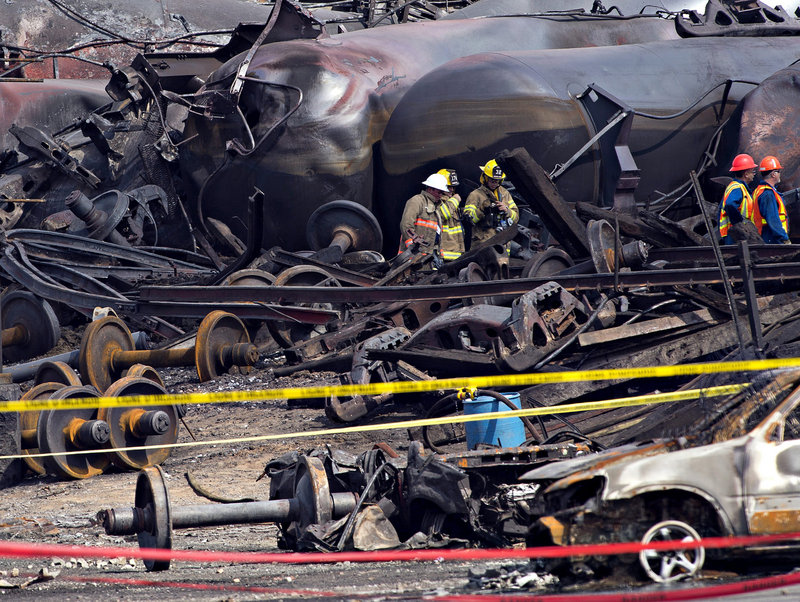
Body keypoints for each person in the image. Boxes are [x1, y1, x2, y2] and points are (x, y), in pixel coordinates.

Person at [463, 159, 519, 246]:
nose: (494, 183)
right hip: (483, 244)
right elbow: (469, 221)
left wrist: (507, 210)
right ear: (485, 178)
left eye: (497, 181)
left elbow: (516, 218)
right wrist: (482, 209)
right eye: (492, 180)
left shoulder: (505, 194)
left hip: (502, 244)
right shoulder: (475, 195)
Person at [399, 172, 449, 260]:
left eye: (442, 193)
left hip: (428, 257)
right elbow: (406, 225)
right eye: (439, 192)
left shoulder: (436, 207)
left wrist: (440, 256)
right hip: (412, 257)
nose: (441, 195)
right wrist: (411, 247)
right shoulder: (417, 201)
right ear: (430, 189)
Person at [718, 153, 758, 245]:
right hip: (735, 235)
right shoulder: (737, 188)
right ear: (746, 174)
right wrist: (739, 223)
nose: (754, 174)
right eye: (753, 171)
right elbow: (730, 204)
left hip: (737, 234)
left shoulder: (740, 188)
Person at [753, 155, 790, 244]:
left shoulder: (759, 190)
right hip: (772, 238)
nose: (780, 174)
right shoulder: (768, 194)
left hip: (767, 235)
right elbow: (773, 219)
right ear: (773, 174)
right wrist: (784, 238)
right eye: (779, 171)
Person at [436, 168, 465, 261]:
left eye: (453, 187)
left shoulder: (451, 202)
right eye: (448, 187)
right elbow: (442, 214)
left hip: (455, 252)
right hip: (444, 253)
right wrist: (455, 200)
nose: (451, 190)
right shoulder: (437, 201)